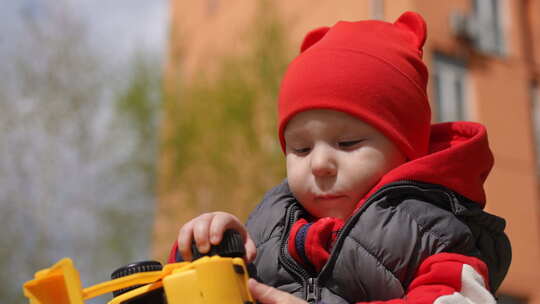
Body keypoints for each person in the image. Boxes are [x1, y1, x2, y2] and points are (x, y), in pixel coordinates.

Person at [168, 11, 511, 304]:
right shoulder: (266, 227)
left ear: (407, 151)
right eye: (300, 149)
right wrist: (203, 249)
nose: (319, 164)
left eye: (347, 143)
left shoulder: (434, 235)